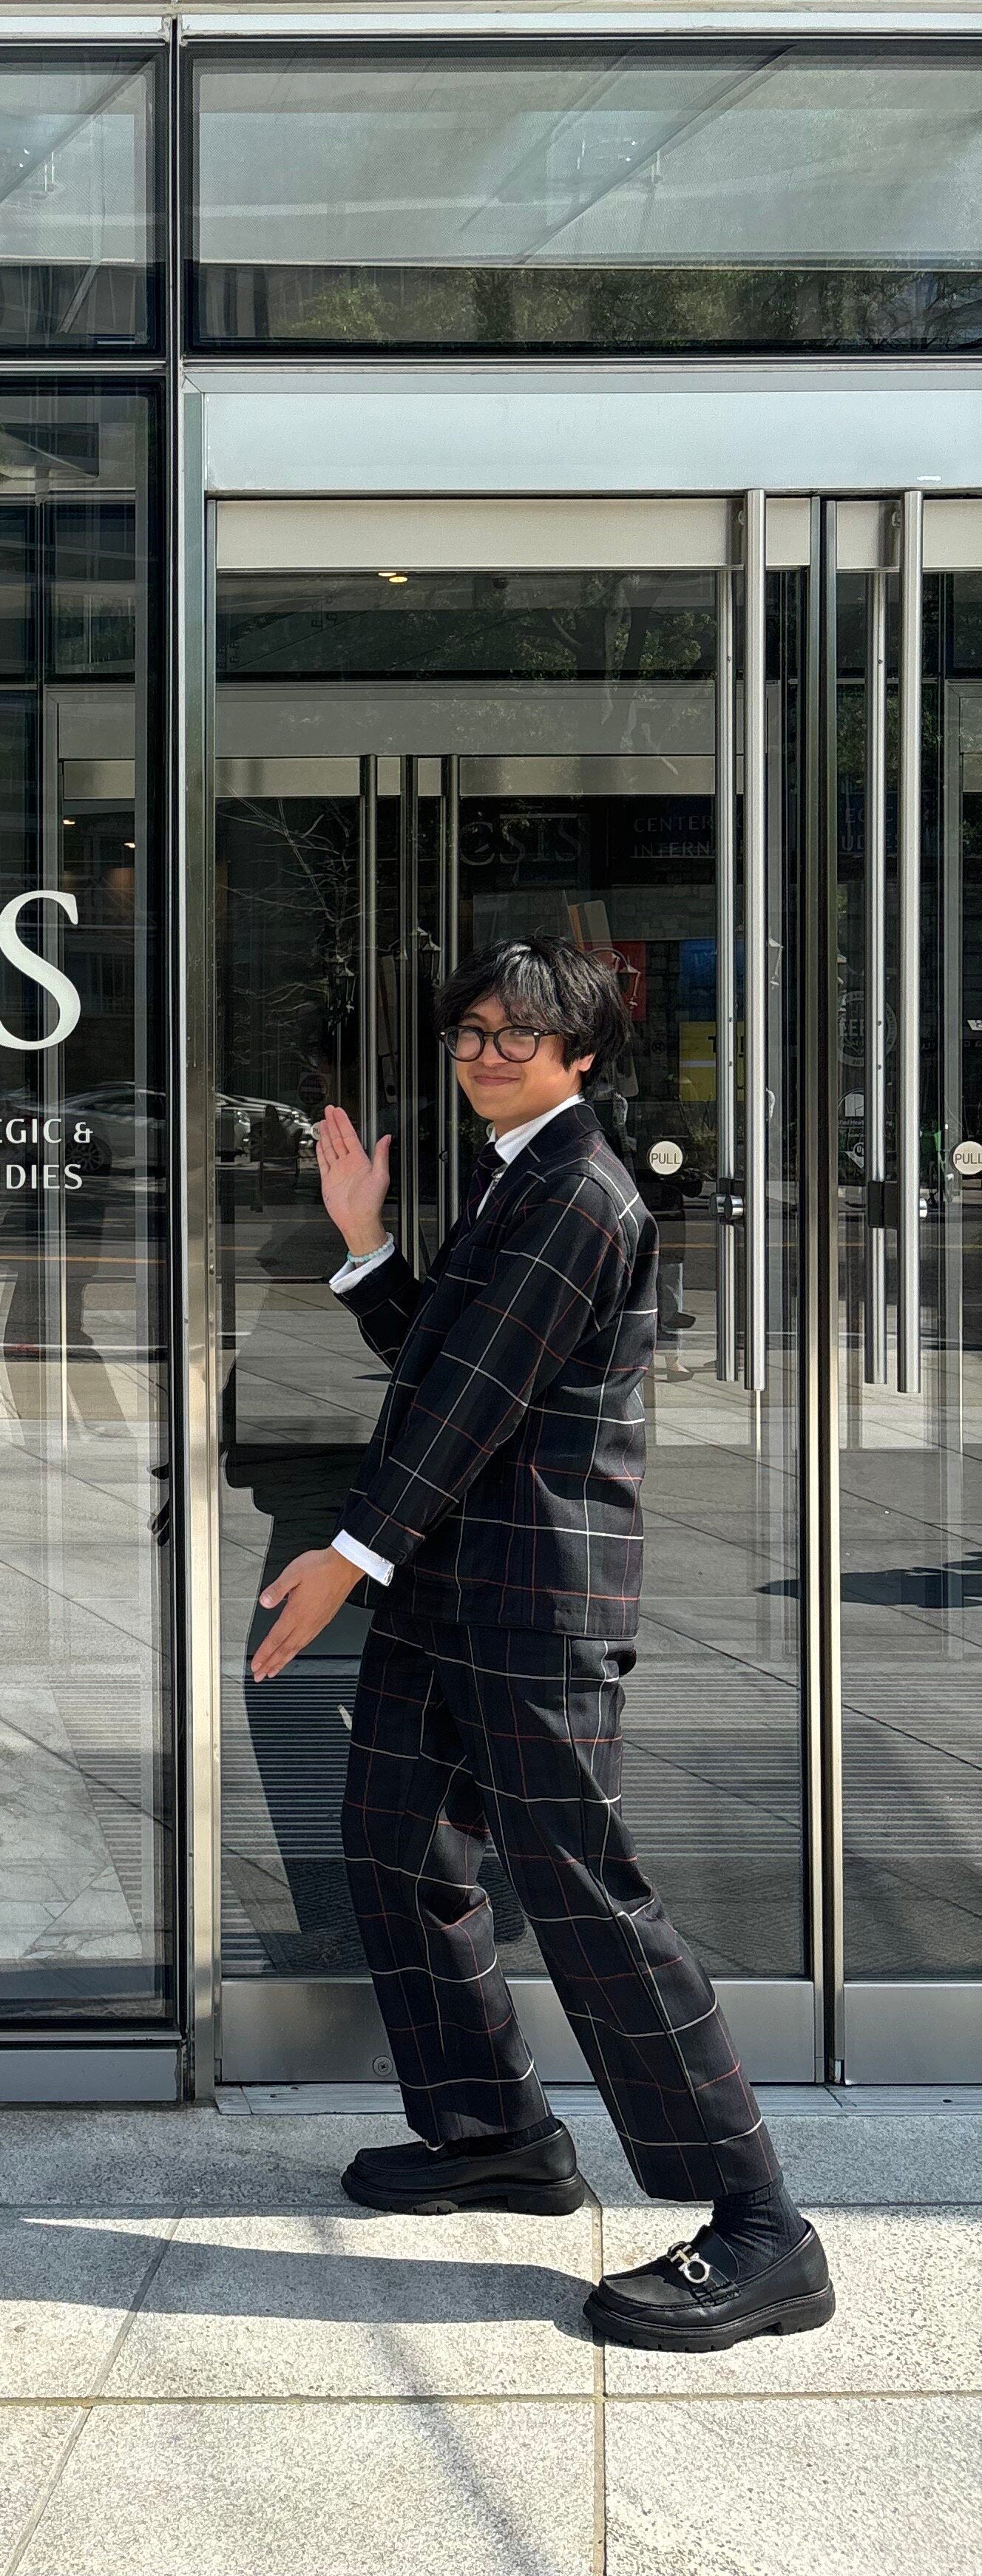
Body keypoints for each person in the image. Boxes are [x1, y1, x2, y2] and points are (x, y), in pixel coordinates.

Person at [254, 938, 834, 2353]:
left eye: (516, 1034)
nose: (484, 1055)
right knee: (394, 1844)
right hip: (452, 1591)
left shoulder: (576, 1188)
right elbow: (451, 1364)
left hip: (532, 1600)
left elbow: (470, 1403)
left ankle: (761, 2226)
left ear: (579, 1053)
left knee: (582, 1894)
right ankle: (493, 2135)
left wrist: (349, 1553)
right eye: (468, 1033)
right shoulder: (515, 1174)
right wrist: (365, 1246)